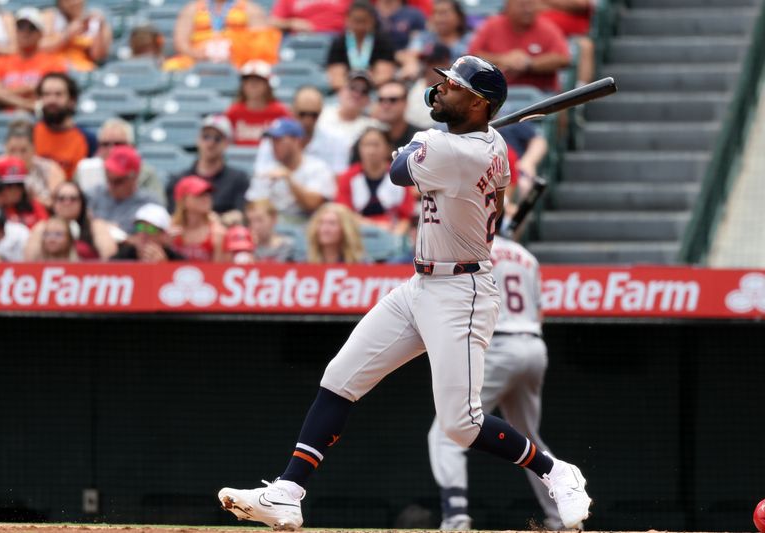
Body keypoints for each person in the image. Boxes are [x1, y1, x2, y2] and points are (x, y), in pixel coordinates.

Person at [216, 55, 591, 532]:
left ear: (478, 104)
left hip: (462, 291)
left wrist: (421, 140)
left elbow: (396, 170)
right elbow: (428, 149)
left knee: (460, 423)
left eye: (453, 87)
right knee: (341, 376)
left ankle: (557, 471)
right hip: (423, 284)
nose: (440, 91)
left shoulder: (458, 152)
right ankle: (288, 492)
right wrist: (432, 137)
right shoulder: (485, 141)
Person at [428, 236, 578, 531]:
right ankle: (563, 516)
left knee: (446, 431)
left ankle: (455, 515)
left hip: (499, 346)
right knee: (529, 439)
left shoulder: (471, 247)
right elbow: (539, 313)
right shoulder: (526, 255)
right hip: (534, 346)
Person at [244, 118, 335, 226]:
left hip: (308, 227)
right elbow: (253, 206)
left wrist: (289, 179)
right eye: (272, 140)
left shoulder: (317, 168)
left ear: (296, 141)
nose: (274, 145)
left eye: (279, 140)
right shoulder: (267, 170)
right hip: (273, 227)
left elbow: (313, 204)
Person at [0, 8, 67, 112]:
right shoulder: (0, 61)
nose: (25, 32)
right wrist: (27, 90)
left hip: (35, 118)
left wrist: (3, 93)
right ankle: (28, 106)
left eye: (32, 28)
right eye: (20, 27)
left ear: (41, 34)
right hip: (6, 114)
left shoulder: (53, 62)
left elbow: (51, 94)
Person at [468, 0, 570, 93]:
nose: (528, 10)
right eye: (522, 5)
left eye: (531, 4)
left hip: (540, 95)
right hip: (496, 93)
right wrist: (502, 59)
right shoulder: (492, 25)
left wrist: (529, 63)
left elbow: (563, 58)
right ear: (508, 6)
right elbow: (471, 56)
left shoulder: (547, 27)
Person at [0, 119, 66, 209]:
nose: (18, 156)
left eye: (23, 151)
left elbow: (58, 205)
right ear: (5, 148)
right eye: (12, 150)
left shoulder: (49, 169)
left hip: (37, 218)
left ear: (34, 149)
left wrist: (30, 197)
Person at [254, 85, 349, 176]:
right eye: (302, 114)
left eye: (314, 115)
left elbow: (338, 180)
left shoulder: (336, 140)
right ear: (292, 111)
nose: (308, 120)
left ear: (321, 113)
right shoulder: (275, 135)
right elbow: (261, 173)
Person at [336, 127, 415, 235]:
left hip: (392, 233)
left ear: (388, 148)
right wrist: (374, 226)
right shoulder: (348, 177)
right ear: (359, 149)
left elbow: (405, 217)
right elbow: (344, 213)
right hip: (356, 235)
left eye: (376, 145)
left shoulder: (400, 175)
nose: (371, 151)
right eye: (366, 145)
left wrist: (396, 237)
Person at [167, 114, 250, 217]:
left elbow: (240, 215)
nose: (211, 143)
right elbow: (173, 216)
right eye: (206, 136)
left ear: (227, 143)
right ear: (198, 140)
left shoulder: (238, 179)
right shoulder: (179, 179)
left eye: (217, 138)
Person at [164, 0, 281, 71]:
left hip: (238, 61)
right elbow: (180, 42)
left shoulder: (250, 9)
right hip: (196, 60)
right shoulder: (192, 9)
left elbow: (260, 43)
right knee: (171, 66)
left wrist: (235, 52)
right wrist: (194, 53)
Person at [74, 117, 165, 204]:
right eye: (105, 144)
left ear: (132, 147)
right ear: (98, 148)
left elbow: (157, 209)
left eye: (118, 144)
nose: (111, 149)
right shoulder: (84, 170)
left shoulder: (146, 173)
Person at [24, 180, 117, 260]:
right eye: (61, 198)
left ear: (82, 202)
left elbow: (110, 259)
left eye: (73, 199)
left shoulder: (95, 226)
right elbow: (29, 261)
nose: (67, 203)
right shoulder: (43, 227)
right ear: (53, 203)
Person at [32, 72, 97, 179]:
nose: (52, 100)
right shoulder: (30, 134)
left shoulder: (88, 139)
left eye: (58, 94)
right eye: (46, 94)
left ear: (72, 100)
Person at [88, 145, 161, 235]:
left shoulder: (148, 202)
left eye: (118, 181)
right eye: (108, 179)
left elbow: (153, 231)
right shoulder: (96, 193)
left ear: (134, 178)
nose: (111, 185)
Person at [326, 0, 396, 91]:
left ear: (372, 20)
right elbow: (336, 78)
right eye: (356, 21)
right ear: (347, 19)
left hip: (375, 90)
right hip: (346, 91)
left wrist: (366, 85)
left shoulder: (383, 41)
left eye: (364, 21)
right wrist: (353, 89)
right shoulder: (339, 42)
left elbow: (384, 74)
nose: (360, 26)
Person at [224, 60, 290, 146]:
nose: (252, 84)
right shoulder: (233, 112)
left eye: (258, 80)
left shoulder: (280, 112)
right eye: (247, 80)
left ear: (267, 85)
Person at [402, 0, 470, 80]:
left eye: (444, 13)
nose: (438, 18)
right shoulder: (424, 37)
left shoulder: (470, 40)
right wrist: (411, 62)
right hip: (426, 83)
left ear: (459, 17)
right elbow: (410, 53)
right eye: (434, 13)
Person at [317, 71, 381, 154]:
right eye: (352, 87)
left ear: (368, 100)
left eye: (364, 91)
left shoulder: (371, 127)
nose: (357, 94)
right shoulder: (320, 114)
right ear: (341, 91)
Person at [39, 0, 112, 71]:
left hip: (84, 70)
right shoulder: (50, 16)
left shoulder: (95, 21)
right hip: (54, 69)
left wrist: (100, 28)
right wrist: (66, 35)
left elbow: (98, 56)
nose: (74, 3)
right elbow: (39, 47)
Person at [540, 0, 595, 86]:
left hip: (572, 38)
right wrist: (564, 6)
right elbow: (533, 7)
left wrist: (548, 4)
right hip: (542, 37)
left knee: (585, 46)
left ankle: (581, 91)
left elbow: (580, 4)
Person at [170, 175, 225, 261]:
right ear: (183, 201)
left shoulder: (217, 233)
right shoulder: (169, 230)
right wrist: (167, 245)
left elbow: (219, 271)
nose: (206, 198)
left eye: (208, 194)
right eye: (199, 194)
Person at [112, 203, 185, 262]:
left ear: (163, 235)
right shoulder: (121, 258)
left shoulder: (176, 261)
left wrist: (163, 267)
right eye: (140, 227)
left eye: (151, 229)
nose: (144, 234)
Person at [0, 156, 49, 229]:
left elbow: (46, 228)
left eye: (19, 185)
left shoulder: (34, 206)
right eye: (9, 185)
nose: (15, 190)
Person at [405, 42, 449, 130]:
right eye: (425, 61)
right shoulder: (412, 85)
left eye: (432, 62)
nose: (427, 66)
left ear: (446, 63)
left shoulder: (452, 90)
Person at [371, 79, 421, 148]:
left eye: (393, 100)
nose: (386, 106)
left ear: (405, 103)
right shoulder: (369, 138)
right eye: (381, 99)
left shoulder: (420, 138)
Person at [269, 0, 350, 33]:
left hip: (337, 37)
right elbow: (273, 22)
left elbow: (358, 14)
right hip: (301, 39)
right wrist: (291, 23)